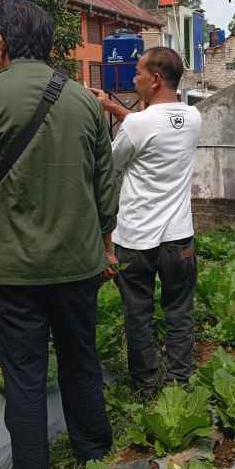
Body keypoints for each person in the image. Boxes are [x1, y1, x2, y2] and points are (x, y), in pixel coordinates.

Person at [0, 0, 117, 469]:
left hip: (13, 269)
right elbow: (105, 187)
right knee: (81, 362)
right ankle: (95, 458)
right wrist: (105, 246)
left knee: (23, 377)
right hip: (79, 263)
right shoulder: (86, 101)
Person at [93, 47, 201, 399]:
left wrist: (111, 115)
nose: (133, 78)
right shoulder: (193, 118)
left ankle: (145, 389)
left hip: (136, 239)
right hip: (179, 239)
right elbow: (153, 128)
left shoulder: (138, 124)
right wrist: (117, 109)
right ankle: (179, 387)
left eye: (138, 72)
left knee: (138, 314)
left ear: (154, 79)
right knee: (179, 312)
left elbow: (112, 161)